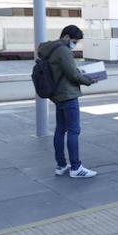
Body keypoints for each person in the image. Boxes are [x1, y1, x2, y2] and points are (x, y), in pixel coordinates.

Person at [38, 25, 96, 178]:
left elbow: (64, 71)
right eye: (75, 40)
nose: (75, 44)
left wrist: (78, 73)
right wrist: (88, 80)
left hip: (57, 94)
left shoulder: (49, 48)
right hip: (68, 95)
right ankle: (76, 168)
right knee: (74, 130)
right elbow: (73, 75)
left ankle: (61, 165)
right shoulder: (63, 50)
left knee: (60, 129)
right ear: (66, 37)